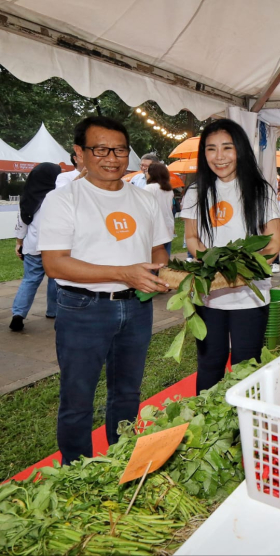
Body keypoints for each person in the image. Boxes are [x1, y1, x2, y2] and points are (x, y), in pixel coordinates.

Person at [38, 116, 172, 465]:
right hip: (83, 309)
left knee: (127, 394)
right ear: (80, 153)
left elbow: (159, 251)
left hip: (137, 309)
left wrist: (162, 274)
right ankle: (76, 472)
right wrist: (123, 273)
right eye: (100, 149)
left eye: (120, 149)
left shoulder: (145, 199)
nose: (112, 157)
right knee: (77, 398)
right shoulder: (63, 200)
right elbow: (54, 264)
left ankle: (122, 460)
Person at [180, 119, 280, 393]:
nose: (219, 156)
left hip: (249, 294)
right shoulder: (195, 192)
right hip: (209, 294)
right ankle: (208, 425)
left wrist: (239, 274)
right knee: (209, 365)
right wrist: (213, 264)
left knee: (246, 366)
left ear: (240, 150)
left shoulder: (260, 191)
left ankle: (242, 429)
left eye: (227, 147)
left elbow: (272, 243)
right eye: (211, 149)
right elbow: (192, 237)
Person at [9, 163, 61, 332]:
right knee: (55, 280)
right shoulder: (59, 196)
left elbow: (22, 223)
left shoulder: (28, 197)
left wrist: (19, 242)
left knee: (30, 280)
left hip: (33, 245)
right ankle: (53, 311)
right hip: (56, 246)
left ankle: (18, 314)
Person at [144, 162, 175, 256]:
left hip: (155, 227)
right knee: (165, 255)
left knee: (154, 257)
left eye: (147, 171)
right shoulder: (168, 189)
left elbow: (145, 208)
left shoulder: (149, 188)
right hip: (168, 224)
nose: (146, 174)